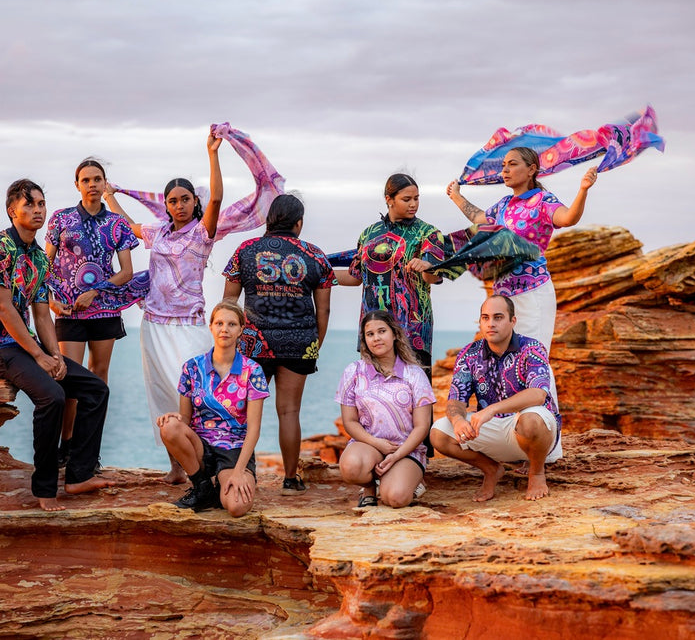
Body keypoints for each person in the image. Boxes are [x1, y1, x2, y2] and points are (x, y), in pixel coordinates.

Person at [0, 179, 115, 512]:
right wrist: (38, 356)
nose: (37, 210)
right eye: (29, 205)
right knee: (52, 397)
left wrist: (55, 356)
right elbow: (6, 309)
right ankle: (45, 488)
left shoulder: (39, 256)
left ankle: (79, 474)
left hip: (27, 346)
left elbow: (41, 314)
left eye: (41, 204)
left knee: (95, 389)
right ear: (12, 211)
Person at [104, 130, 224, 484]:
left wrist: (212, 153)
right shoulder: (159, 233)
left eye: (185, 199)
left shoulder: (202, 234)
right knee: (160, 394)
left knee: (195, 393)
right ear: (167, 205)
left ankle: (207, 465)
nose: (179, 205)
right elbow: (127, 226)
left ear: (193, 202)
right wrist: (111, 197)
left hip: (188, 325)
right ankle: (176, 466)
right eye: (173, 201)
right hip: (154, 324)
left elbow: (216, 197)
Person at [222, 193, 336, 496]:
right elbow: (323, 310)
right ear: (298, 223)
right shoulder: (314, 255)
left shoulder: (245, 251)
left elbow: (229, 303)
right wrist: (315, 344)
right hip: (299, 342)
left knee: (243, 411)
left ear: (270, 219)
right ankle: (289, 478)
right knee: (288, 412)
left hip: (253, 343)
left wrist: (228, 341)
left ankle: (242, 473)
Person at [446, 147, 598, 351]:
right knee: (506, 362)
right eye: (503, 166)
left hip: (532, 293)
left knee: (534, 358)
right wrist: (456, 196)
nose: (505, 170)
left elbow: (568, 217)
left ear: (531, 169)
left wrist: (583, 190)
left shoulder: (543, 201)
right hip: (502, 296)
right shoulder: (503, 205)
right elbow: (479, 219)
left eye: (512, 164)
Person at [45, 158, 139, 467]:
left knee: (98, 380)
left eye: (97, 179)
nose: (92, 184)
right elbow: (46, 267)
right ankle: (65, 446)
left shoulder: (117, 225)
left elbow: (126, 272)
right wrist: (51, 301)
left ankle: (89, 453)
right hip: (68, 313)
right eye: (86, 180)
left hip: (104, 313)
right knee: (69, 380)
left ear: (104, 182)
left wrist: (96, 291)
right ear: (77, 185)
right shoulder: (60, 219)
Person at [430, 295, 562, 502]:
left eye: (498, 317)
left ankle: (536, 473)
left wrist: (492, 409)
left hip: (529, 429)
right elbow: (456, 399)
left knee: (532, 420)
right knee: (438, 433)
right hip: (492, 429)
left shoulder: (532, 348)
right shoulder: (469, 354)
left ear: (513, 321)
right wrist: (458, 421)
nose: (491, 323)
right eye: (485, 318)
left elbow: (538, 394)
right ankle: (491, 469)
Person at [156, 300, 269, 516]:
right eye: (219, 323)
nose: (224, 329)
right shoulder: (192, 367)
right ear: (211, 327)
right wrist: (175, 418)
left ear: (241, 330)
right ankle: (203, 487)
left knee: (236, 507)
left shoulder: (252, 371)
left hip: (233, 450)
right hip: (201, 448)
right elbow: (185, 419)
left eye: (231, 324)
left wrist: (238, 472)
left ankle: (223, 482)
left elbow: (254, 429)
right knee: (169, 426)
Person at [335, 173, 447, 378]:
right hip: (373, 328)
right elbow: (355, 276)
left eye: (416, 198)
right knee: (372, 393)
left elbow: (433, 276)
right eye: (407, 199)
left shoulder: (428, 233)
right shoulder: (369, 234)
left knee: (415, 394)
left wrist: (427, 266)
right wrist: (322, 274)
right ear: (389, 199)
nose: (414, 204)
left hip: (412, 329)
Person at [336, 311, 435, 508]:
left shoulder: (414, 374)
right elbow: (350, 421)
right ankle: (370, 487)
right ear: (364, 340)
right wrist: (377, 444)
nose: (376, 338)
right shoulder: (353, 372)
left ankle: (408, 479)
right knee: (350, 468)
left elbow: (422, 427)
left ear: (395, 334)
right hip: (369, 444)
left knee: (395, 499)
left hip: (406, 449)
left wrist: (396, 455)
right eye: (370, 334)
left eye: (382, 331)